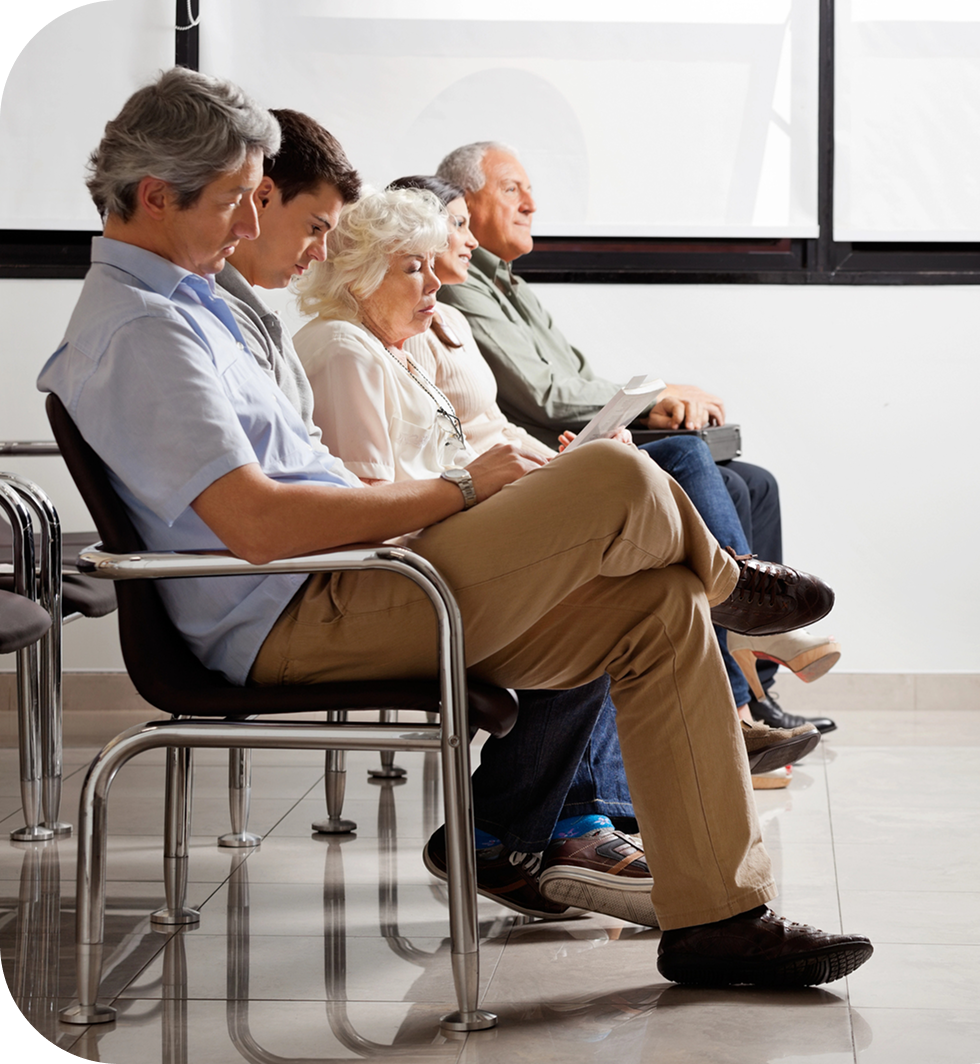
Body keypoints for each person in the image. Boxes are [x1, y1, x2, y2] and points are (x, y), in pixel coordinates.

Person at [38, 67, 872, 988]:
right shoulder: (144, 332)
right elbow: (260, 523)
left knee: (658, 602)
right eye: (237, 201)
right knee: (615, 474)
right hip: (298, 615)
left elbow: (298, 484)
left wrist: (442, 498)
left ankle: (720, 915)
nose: (249, 224)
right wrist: (457, 491)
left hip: (356, 577)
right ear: (157, 196)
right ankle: (736, 589)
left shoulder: (207, 309)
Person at [216, 107, 653, 924]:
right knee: (610, 549)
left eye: (432, 265)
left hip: (415, 550)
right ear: (358, 272)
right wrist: (484, 490)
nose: (437, 283)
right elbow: (370, 511)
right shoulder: (342, 350)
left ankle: (555, 823)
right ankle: (538, 824)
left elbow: (436, 468)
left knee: (617, 533)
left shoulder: (390, 346)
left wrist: (515, 480)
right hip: (383, 572)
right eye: (413, 267)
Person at [435, 142, 838, 733]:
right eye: (511, 189)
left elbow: (576, 376)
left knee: (756, 484)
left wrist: (657, 397)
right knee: (711, 469)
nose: (531, 204)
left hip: (579, 444)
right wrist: (657, 399)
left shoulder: (510, 286)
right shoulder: (460, 288)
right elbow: (545, 394)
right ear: (464, 201)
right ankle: (735, 698)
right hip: (558, 455)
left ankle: (757, 679)